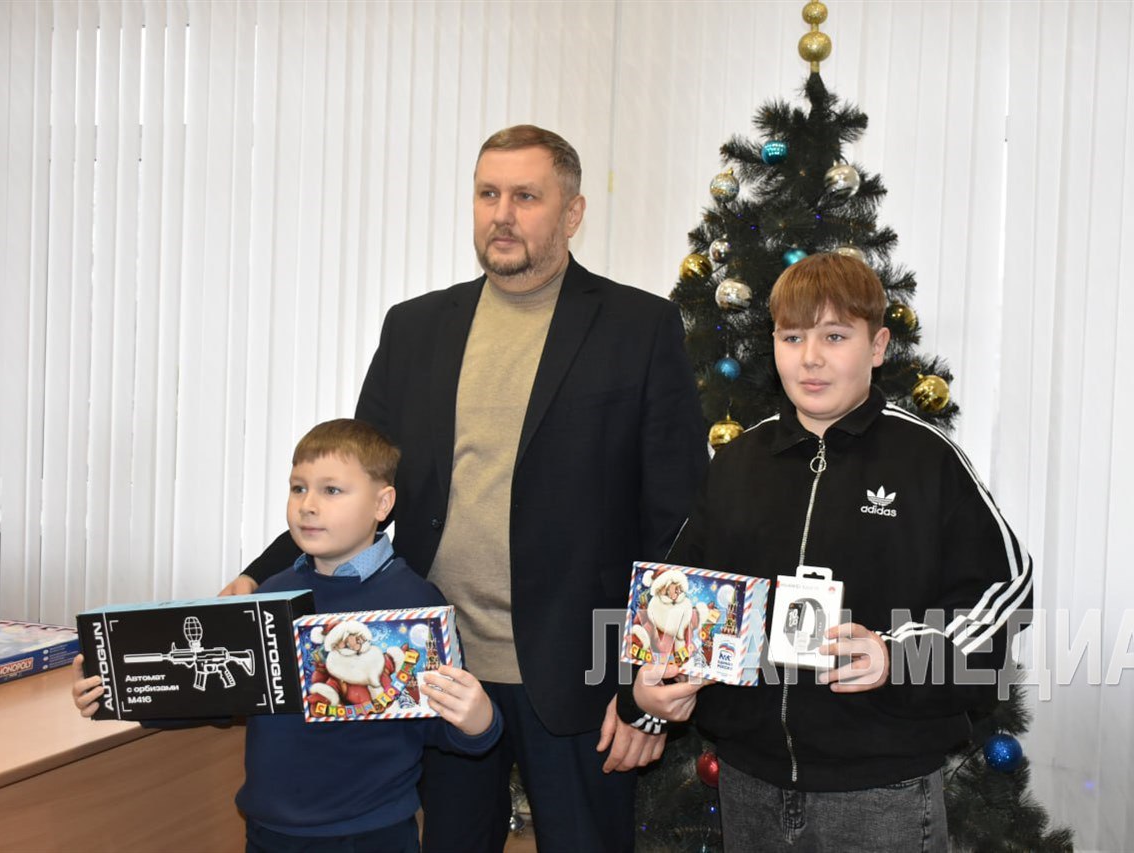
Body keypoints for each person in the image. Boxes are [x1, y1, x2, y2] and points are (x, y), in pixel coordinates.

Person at [221, 125, 706, 852]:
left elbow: (677, 518)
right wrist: (258, 575)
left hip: (579, 676)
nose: (501, 214)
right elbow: (356, 481)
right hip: (434, 670)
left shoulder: (638, 326)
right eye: (487, 194)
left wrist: (649, 696)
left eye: (525, 196)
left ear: (572, 213)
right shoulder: (415, 327)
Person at [634, 253, 1033, 852]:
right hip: (748, 781)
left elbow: (1005, 592)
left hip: (882, 793)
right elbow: (680, 592)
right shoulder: (739, 462)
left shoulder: (927, 460)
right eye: (792, 337)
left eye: (835, 336)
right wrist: (648, 692)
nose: (811, 358)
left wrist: (898, 657)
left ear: (878, 347)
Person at [72, 419, 502, 853]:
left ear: (382, 503)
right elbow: (222, 696)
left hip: (369, 833)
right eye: (298, 488)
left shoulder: (414, 604)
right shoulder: (270, 594)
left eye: (331, 490)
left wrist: (479, 719)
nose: (307, 505)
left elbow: (446, 729)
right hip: (269, 829)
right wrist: (118, 691)